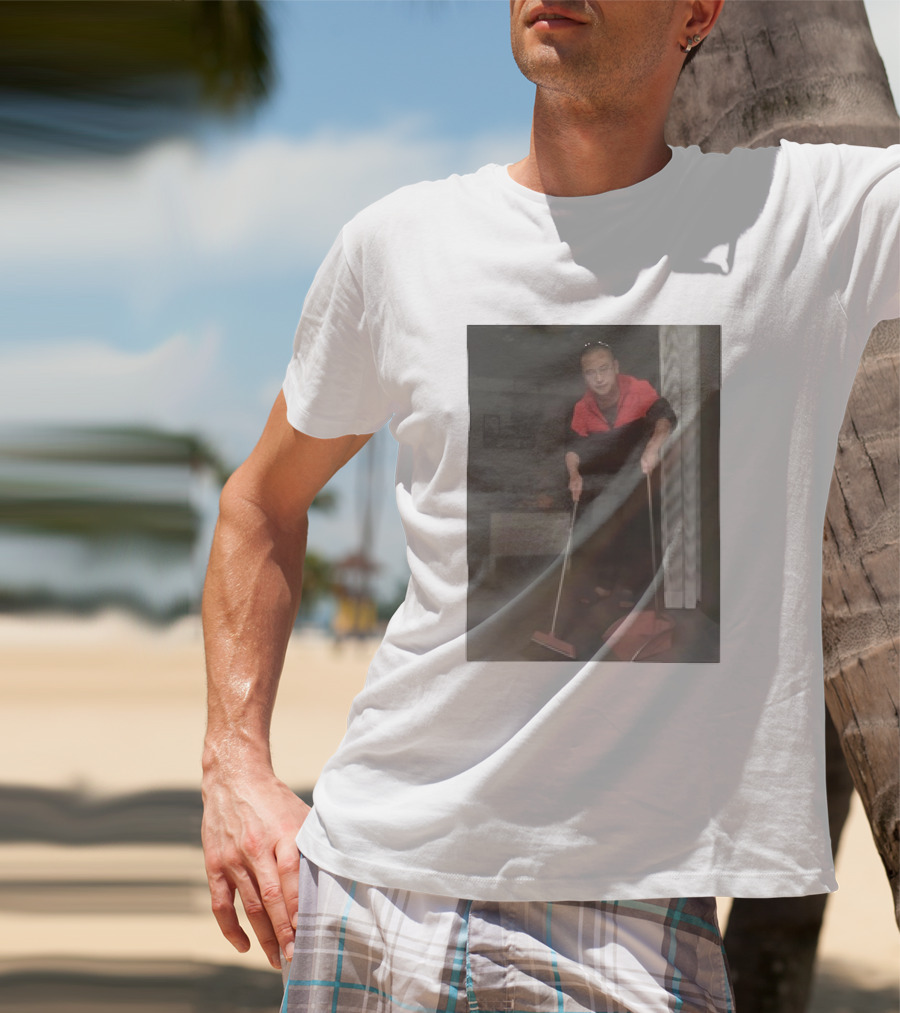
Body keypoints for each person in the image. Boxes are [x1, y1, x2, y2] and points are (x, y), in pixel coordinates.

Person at [200, 2, 899, 1011]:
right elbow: (259, 502)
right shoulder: (400, 246)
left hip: (626, 927)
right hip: (367, 893)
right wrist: (235, 766)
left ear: (698, 15)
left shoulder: (806, 221)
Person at [566, 340, 676, 607]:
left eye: (604, 368)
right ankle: (603, 584)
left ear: (615, 367)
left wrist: (652, 446)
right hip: (605, 478)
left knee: (640, 531)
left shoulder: (639, 389)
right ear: (584, 376)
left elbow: (665, 418)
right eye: (591, 372)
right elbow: (573, 448)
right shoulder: (583, 407)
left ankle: (635, 591)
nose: (599, 378)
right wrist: (574, 474)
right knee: (600, 528)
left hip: (639, 471)